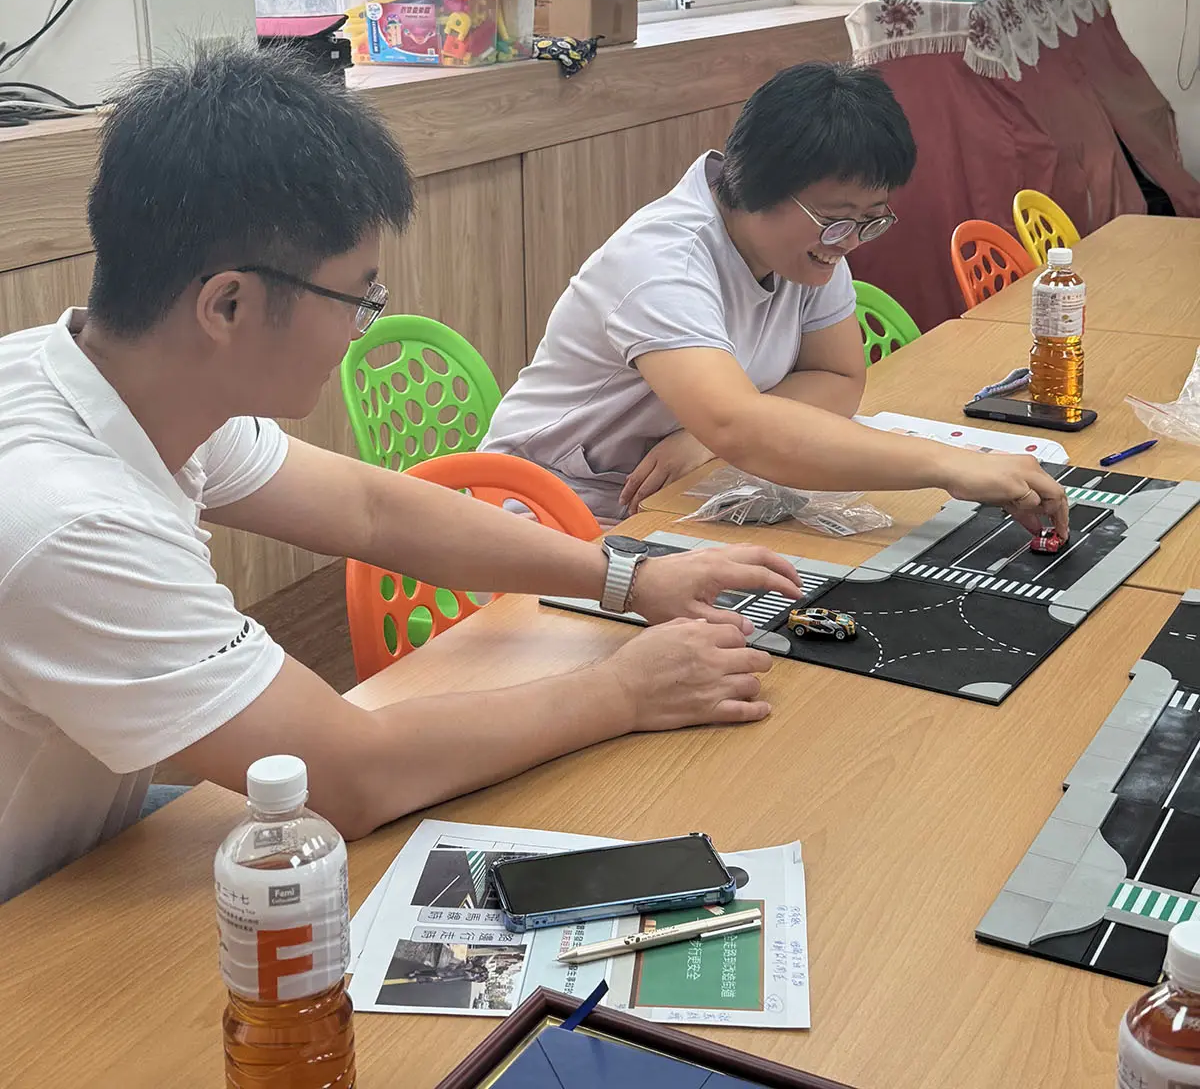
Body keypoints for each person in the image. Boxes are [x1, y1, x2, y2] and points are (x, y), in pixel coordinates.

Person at [0, 48, 805, 904]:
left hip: (89, 836)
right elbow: (350, 776)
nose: (361, 328)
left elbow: (370, 509)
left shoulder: (111, 376)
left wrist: (627, 578)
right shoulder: (70, 520)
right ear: (227, 305)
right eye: (356, 298)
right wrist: (624, 690)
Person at [483, 61, 1069, 533]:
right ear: (759, 184)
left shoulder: (810, 246)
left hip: (677, 495)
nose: (850, 241)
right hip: (543, 509)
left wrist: (703, 437)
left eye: (871, 219)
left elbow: (838, 380)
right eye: (839, 219)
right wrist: (949, 465)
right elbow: (740, 426)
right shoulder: (662, 263)